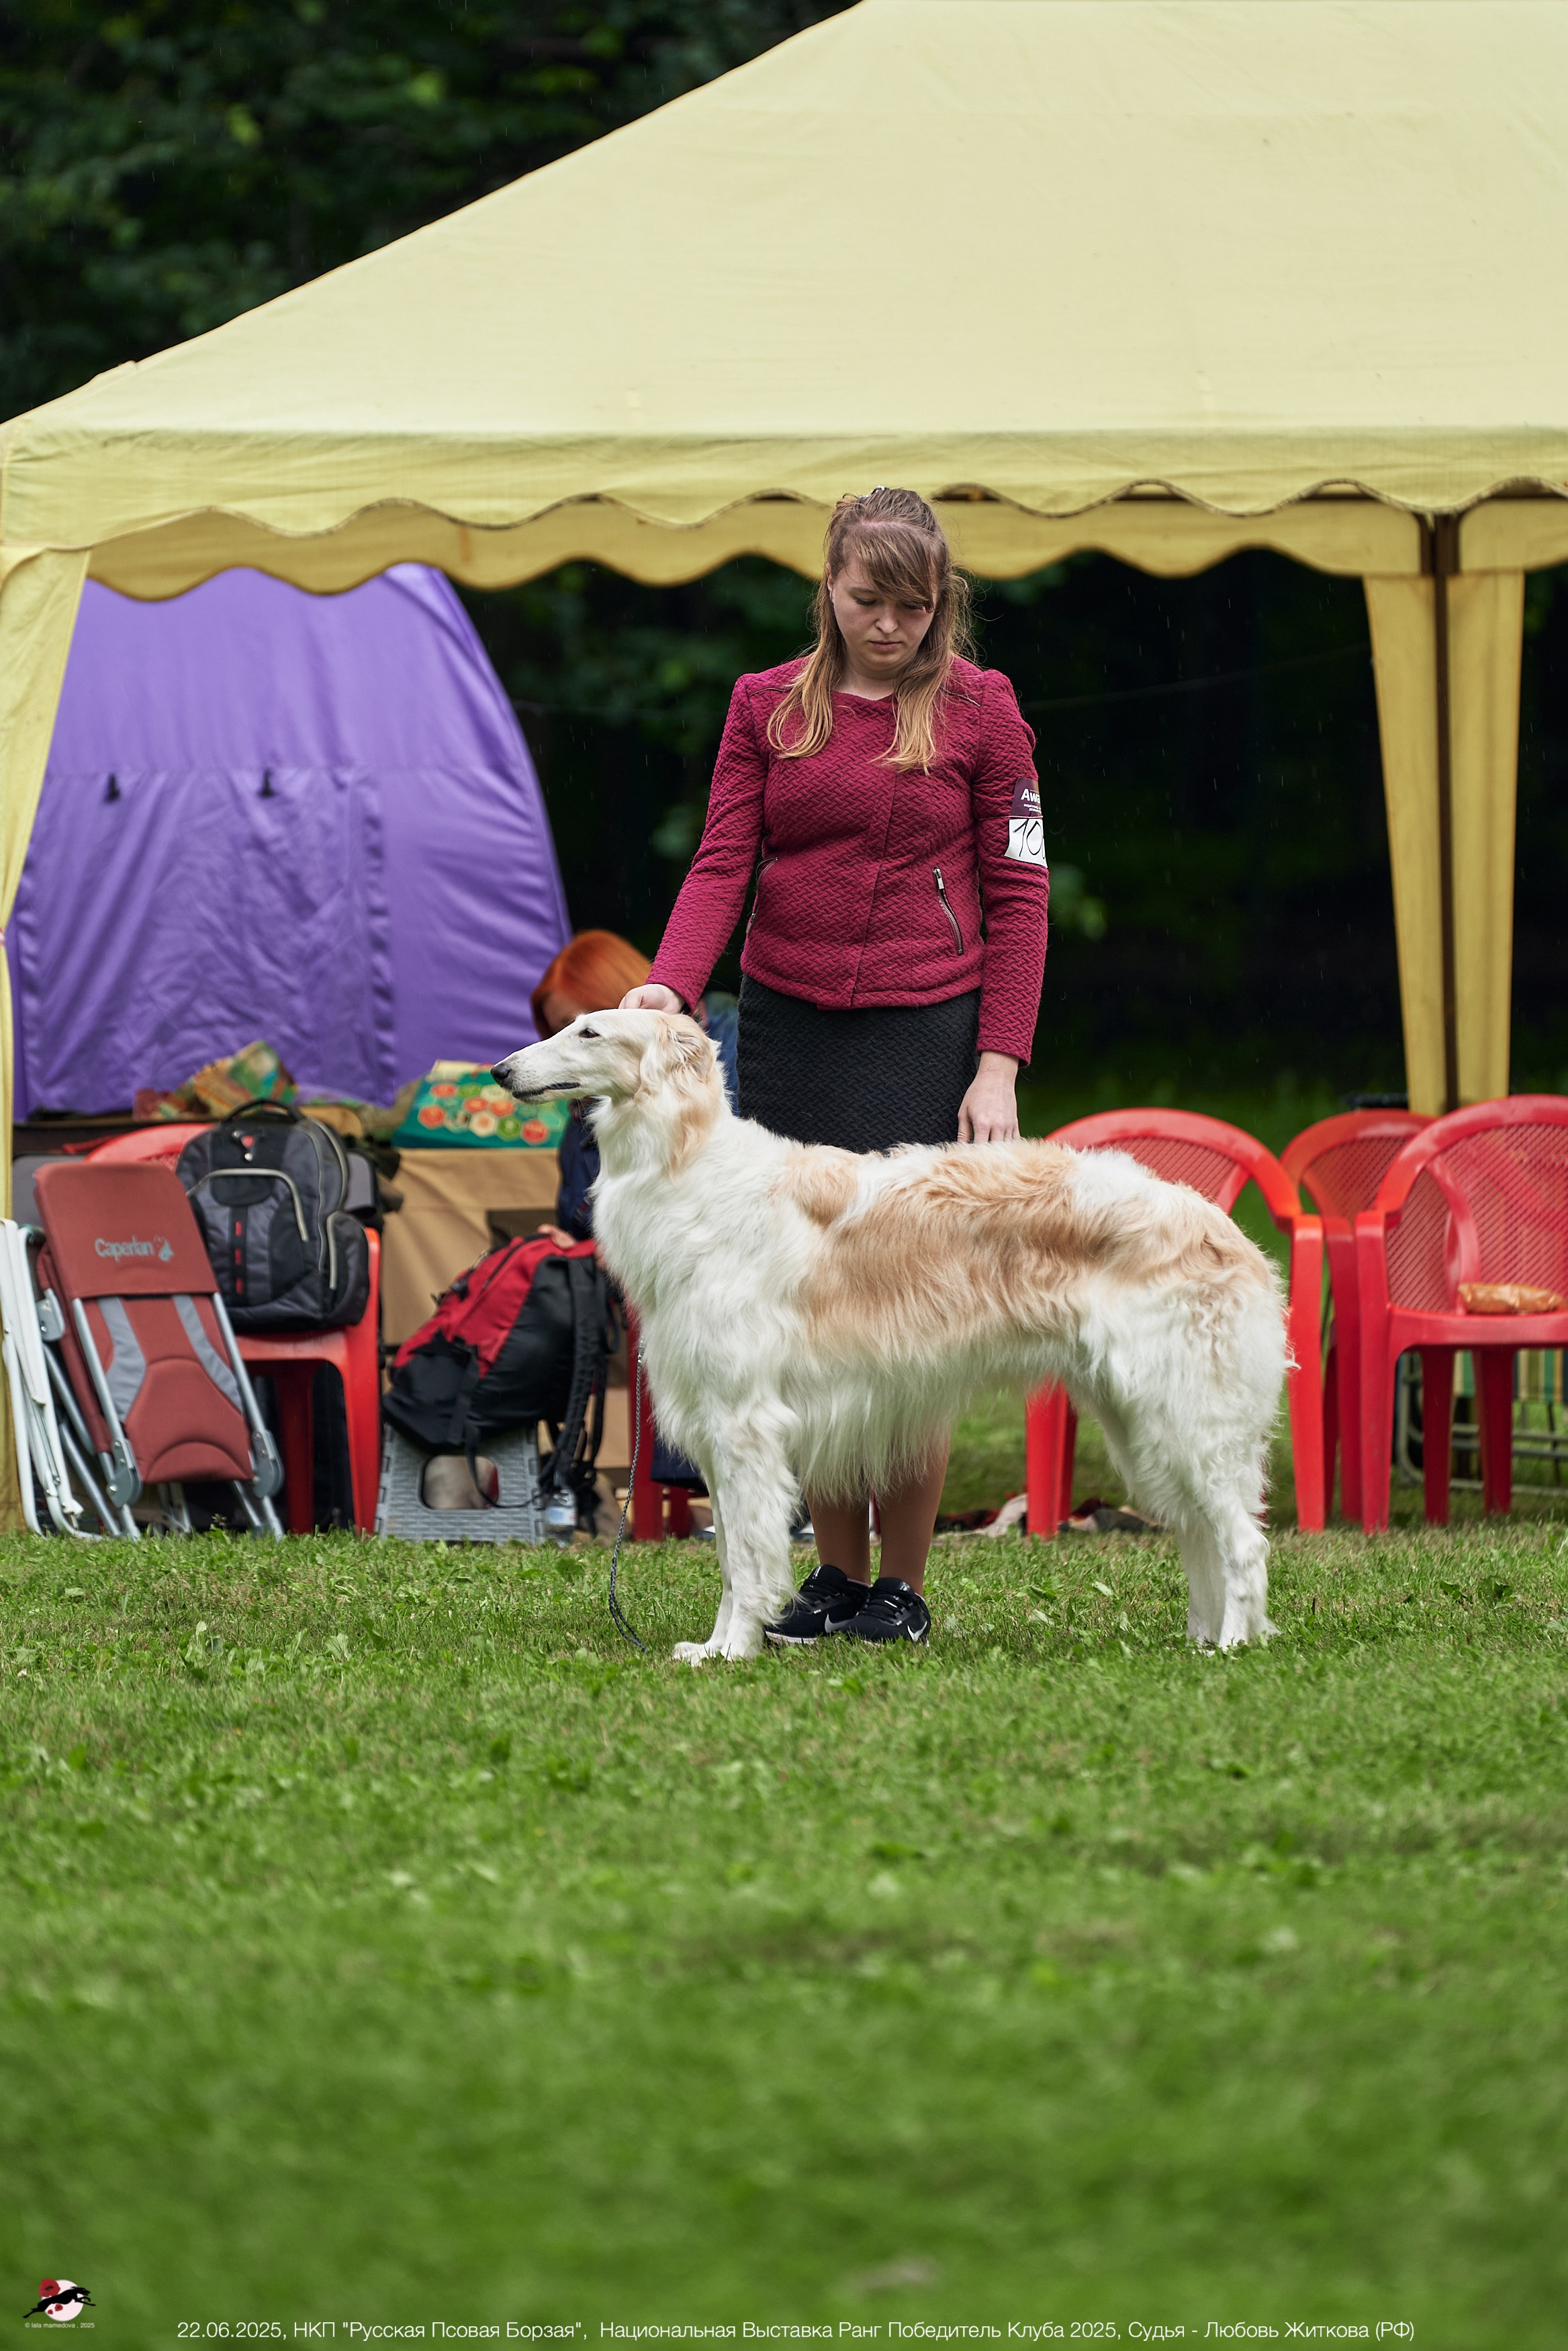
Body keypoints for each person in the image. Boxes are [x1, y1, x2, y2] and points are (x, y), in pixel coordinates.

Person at [622, 487, 1050, 1646]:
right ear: (829, 587)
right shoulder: (767, 706)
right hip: (793, 1027)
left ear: (940, 602)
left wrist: (998, 1064)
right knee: (800, 1309)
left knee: (908, 1314)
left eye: (915, 606)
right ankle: (833, 1577)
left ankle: (902, 1586)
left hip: (929, 1034)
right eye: (871, 599)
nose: (893, 626)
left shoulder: (983, 710)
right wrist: (670, 983)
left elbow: (1019, 889)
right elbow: (721, 863)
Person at [531, 928, 737, 1245]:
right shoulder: (583, 1110)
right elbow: (578, 1219)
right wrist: (573, 1249)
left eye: (580, 1030)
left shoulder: (731, 1045)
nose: (560, 1047)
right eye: (556, 1031)